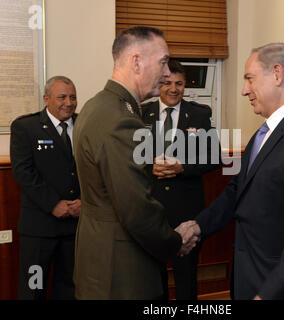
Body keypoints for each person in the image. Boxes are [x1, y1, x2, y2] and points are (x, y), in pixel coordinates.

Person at [179, 43, 284, 300]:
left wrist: (268, 294)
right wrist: (199, 226)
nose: (245, 90)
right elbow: (238, 190)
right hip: (252, 276)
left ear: (277, 74)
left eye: (249, 79)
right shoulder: (265, 131)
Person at [72, 26, 195, 300]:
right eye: (163, 62)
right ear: (136, 61)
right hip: (121, 268)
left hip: (98, 256)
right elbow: (136, 209)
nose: (167, 74)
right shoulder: (120, 120)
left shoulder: (97, 105)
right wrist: (175, 242)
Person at [142, 59, 221, 300]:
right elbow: (126, 158)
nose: (173, 89)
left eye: (179, 83)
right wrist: (149, 168)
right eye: (167, 83)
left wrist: (182, 168)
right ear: (158, 84)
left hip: (187, 211)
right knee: (153, 279)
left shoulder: (199, 114)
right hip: (151, 209)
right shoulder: (142, 112)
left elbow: (214, 158)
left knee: (186, 278)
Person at [10, 76, 81, 300]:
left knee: (69, 288)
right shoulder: (26, 127)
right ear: (46, 98)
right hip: (39, 230)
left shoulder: (85, 124)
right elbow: (24, 172)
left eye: (73, 97)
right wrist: (53, 204)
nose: (68, 103)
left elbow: (95, 169)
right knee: (34, 288)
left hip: (75, 227)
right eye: (62, 97)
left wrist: (85, 201)